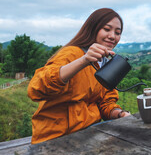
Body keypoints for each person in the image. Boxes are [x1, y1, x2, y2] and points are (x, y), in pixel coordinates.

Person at [28, 8, 130, 144]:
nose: (113, 36)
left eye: (118, 33)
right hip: (56, 138)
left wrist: (120, 114)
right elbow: (35, 89)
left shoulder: (105, 62)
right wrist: (84, 61)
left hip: (88, 134)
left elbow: (106, 102)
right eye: (107, 29)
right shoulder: (72, 54)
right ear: (93, 29)